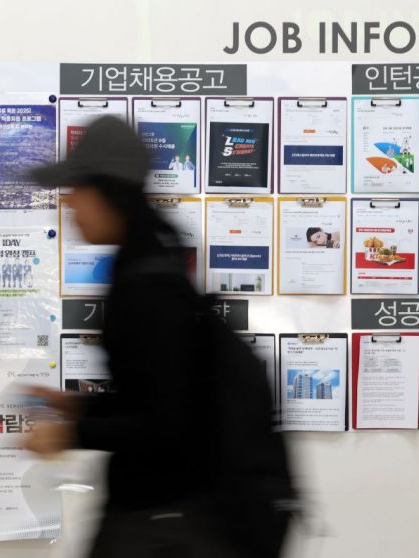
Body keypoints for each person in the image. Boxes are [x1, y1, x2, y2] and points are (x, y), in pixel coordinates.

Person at [25, 116, 293, 558]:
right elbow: (149, 394)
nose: (69, 204)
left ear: (109, 193)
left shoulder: (148, 288)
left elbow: (166, 424)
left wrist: (69, 433)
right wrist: (79, 406)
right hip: (160, 513)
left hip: (166, 522)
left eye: (78, 190)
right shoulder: (144, 268)